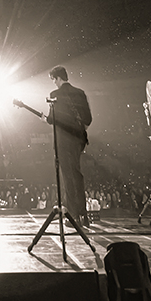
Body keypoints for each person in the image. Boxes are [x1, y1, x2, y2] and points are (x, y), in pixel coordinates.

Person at [48, 65, 92, 224]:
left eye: (53, 79)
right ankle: (83, 214)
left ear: (58, 78)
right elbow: (88, 120)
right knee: (77, 173)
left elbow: (52, 120)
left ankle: (73, 215)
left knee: (67, 176)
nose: (54, 83)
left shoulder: (55, 95)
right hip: (78, 140)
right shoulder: (80, 93)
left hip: (63, 141)